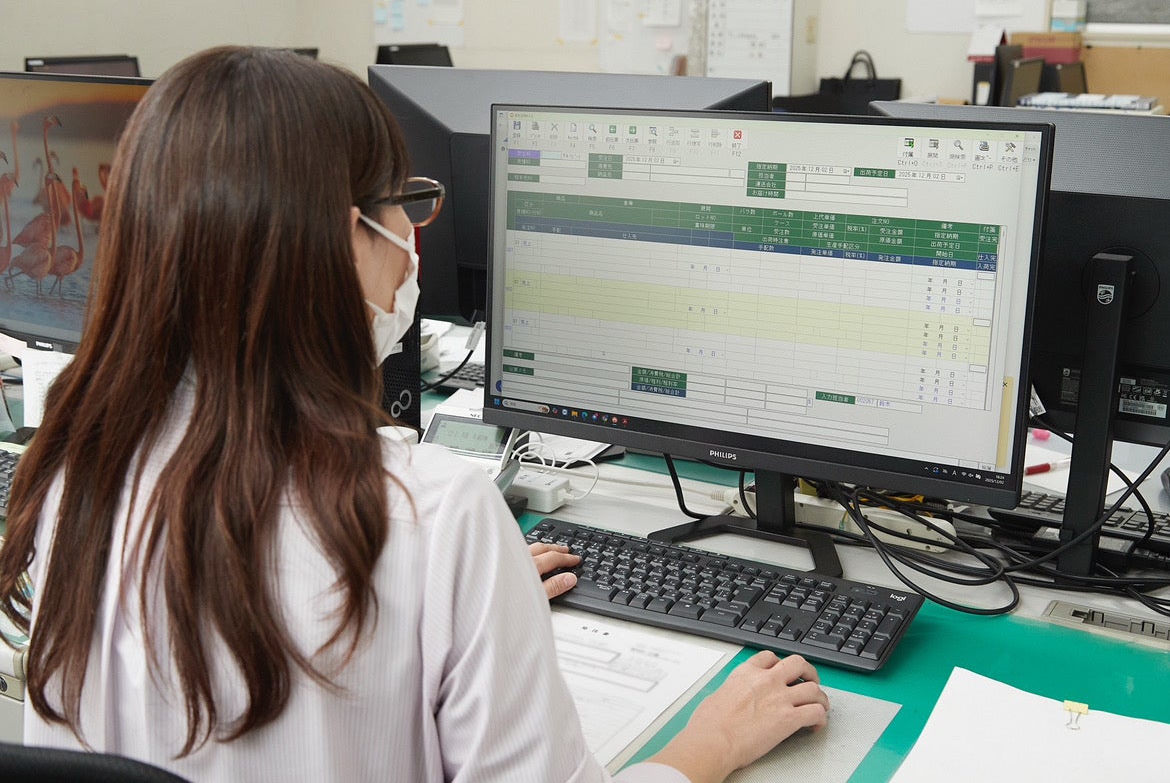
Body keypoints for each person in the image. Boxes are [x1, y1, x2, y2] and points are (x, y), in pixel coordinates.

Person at [0, 46, 829, 782]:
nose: (410, 231)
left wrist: (461, 614)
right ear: (344, 238)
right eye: (402, 201)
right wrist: (707, 748)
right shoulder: (435, 516)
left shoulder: (73, 477)